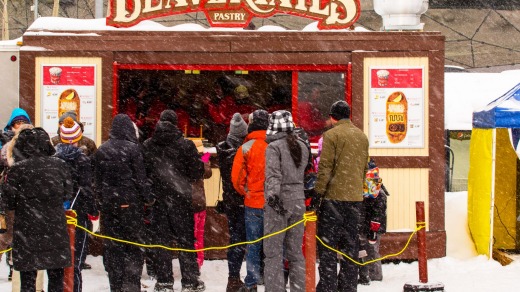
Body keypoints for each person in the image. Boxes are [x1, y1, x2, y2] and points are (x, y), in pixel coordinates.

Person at [1, 127, 73, 292]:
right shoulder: (59, 165)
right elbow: (67, 193)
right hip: (55, 229)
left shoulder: (18, 169)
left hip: (27, 230)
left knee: (28, 281)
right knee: (56, 277)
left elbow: (8, 202)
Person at [142, 110, 206, 292]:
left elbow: (144, 173)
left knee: (161, 242)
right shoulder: (186, 145)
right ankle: (190, 282)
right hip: (181, 200)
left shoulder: (148, 145)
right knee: (186, 241)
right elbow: (196, 173)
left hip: (158, 200)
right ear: (176, 124)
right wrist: (202, 160)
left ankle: (164, 282)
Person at [92, 114, 153, 292]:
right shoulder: (134, 150)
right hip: (132, 206)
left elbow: (96, 180)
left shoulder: (101, 150)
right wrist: (148, 199)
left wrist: (101, 201)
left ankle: (116, 285)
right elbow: (141, 179)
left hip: (109, 207)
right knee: (133, 246)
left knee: (113, 247)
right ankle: (131, 284)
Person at [314, 100, 369, 292]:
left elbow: (325, 167)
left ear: (332, 116)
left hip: (333, 199)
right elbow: (364, 168)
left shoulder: (331, 136)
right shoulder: (362, 136)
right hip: (354, 199)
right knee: (350, 245)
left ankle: (328, 286)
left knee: (327, 246)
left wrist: (318, 192)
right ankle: (348, 286)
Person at [263, 110, 309, 292]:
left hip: (279, 202)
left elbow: (273, 175)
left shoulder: (273, 148)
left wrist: (273, 197)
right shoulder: (303, 146)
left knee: (273, 253)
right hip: (299, 201)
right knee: (296, 252)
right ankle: (298, 288)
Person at [54, 117, 99, 292]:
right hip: (78, 214)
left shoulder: (54, 160)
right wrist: (94, 211)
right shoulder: (83, 160)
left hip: (57, 215)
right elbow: (87, 190)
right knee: (75, 263)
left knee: (58, 265)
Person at [231, 109, 270, 292]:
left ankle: (251, 282)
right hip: (273, 204)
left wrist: (246, 191)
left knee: (252, 245)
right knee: (273, 245)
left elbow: (237, 179)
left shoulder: (244, 148)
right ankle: (272, 280)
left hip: (252, 202)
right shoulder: (275, 146)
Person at [215, 113, 248, 292]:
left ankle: (233, 277)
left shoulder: (221, 148)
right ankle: (238, 278)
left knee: (235, 238)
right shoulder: (243, 151)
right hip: (243, 199)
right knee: (242, 239)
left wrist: (203, 159)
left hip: (228, 200)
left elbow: (205, 159)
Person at [358, 158, 388, 285]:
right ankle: (365, 274)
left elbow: (378, 213)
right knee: (364, 250)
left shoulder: (378, 193)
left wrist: (374, 229)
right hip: (364, 225)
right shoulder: (364, 190)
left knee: (372, 250)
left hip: (373, 226)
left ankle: (375, 275)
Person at [192, 140, 213, 269]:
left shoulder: (185, 160)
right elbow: (208, 172)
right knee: (199, 235)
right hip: (201, 202)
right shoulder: (201, 161)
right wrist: (206, 157)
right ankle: (199, 261)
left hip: (190, 203)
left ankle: (194, 261)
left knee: (193, 235)